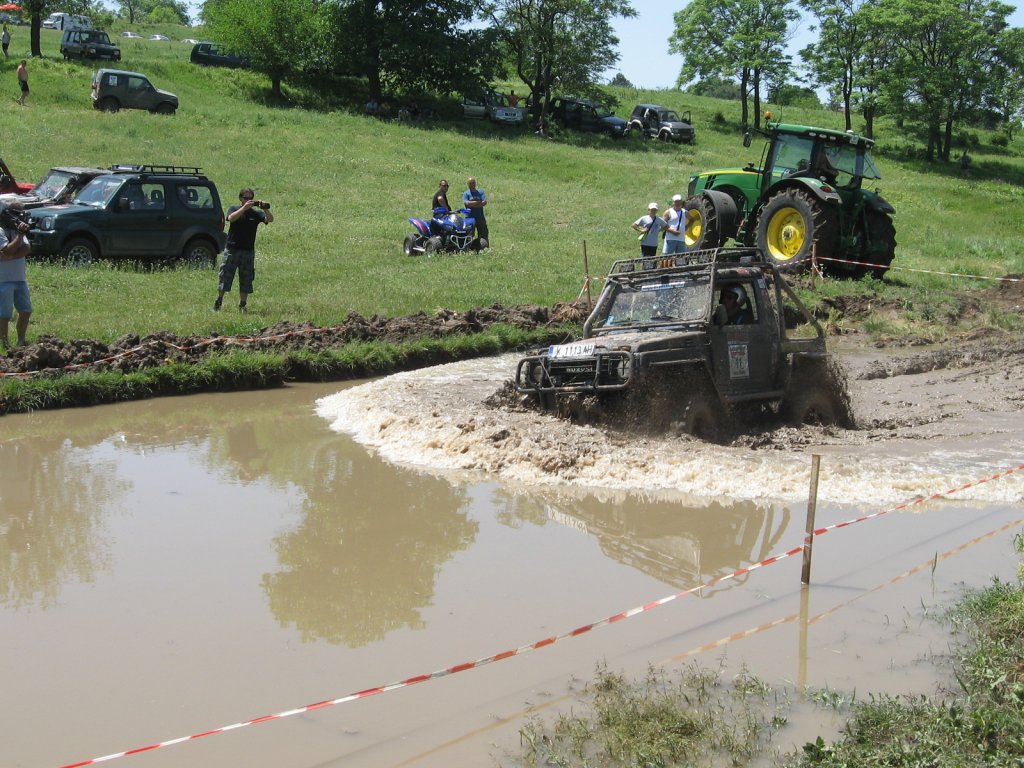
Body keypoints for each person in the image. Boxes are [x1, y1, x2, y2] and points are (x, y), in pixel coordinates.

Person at [213, 188, 273, 313]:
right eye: (245, 198)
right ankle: (219, 301)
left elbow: (269, 219)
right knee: (225, 276)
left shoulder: (255, 214)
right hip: (232, 250)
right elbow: (231, 218)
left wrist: (265, 208)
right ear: (240, 198)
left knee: (246, 278)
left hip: (248, 251)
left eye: (250, 198)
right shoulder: (234, 209)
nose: (248, 200)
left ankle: (243, 304)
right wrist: (243, 209)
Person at [0, 203, 33, 348]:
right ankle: (5, 343)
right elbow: (6, 250)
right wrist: (19, 235)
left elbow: (26, 248)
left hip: (20, 278)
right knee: (4, 314)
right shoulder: (1, 230)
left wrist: (10, 256)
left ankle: (21, 340)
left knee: (26, 310)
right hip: (3, 279)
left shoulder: (17, 230)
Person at [463, 176, 488, 246]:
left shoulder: (480, 192)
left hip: (480, 217)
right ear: (468, 184)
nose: (472, 184)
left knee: (483, 233)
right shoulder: (466, 193)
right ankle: (468, 248)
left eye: (473, 182)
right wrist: (478, 202)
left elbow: (484, 202)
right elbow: (467, 203)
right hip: (470, 218)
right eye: (470, 183)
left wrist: (473, 204)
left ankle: (484, 247)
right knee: (469, 234)